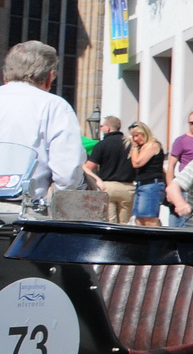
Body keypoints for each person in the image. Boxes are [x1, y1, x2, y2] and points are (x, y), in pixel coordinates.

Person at [0, 41, 97, 217]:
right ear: (49, 77)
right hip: (24, 212)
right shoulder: (54, 106)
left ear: (5, 75)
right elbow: (67, 173)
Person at [84, 115, 133, 223]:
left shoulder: (102, 145)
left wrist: (97, 180)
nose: (101, 129)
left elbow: (88, 168)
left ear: (108, 127)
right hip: (128, 187)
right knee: (125, 225)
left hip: (108, 187)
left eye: (102, 126)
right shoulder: (130, 144)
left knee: (110, 223)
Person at [127, 122, 167, 227]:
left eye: (137, 135)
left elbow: (137, 163)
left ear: (144, 133)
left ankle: (158, 242)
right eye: (133, 136)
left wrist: (134, 147)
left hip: (151, 185)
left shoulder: (152, 145)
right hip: (142, 185)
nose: (135, 139)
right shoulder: (143, 147)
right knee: (139, 220)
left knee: (150, 220)